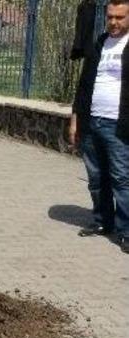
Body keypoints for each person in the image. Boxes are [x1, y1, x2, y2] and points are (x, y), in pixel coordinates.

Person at [70, 0, 129, 254]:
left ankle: (126, 230)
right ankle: (103, 222)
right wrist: (75, 119)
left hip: (120, 125)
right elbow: (84, 85)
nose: (114, 22)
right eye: (110, 17)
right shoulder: (100, 42)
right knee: (96, 178)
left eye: (120, 17)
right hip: (91, 120)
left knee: (121, 179)